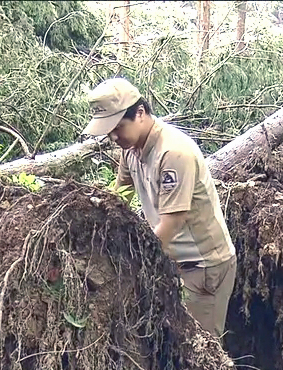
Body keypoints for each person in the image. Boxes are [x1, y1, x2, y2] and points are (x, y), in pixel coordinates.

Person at [81, 77, 237, 337]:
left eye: (118, 127)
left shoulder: (173, 153)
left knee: (200, 351)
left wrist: (139, 261)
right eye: (108, 130)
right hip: (172, 259)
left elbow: (172, 222)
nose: (113, 136)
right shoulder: (130, 148)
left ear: (140, 113)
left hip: (203, 267)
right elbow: (119, 194)